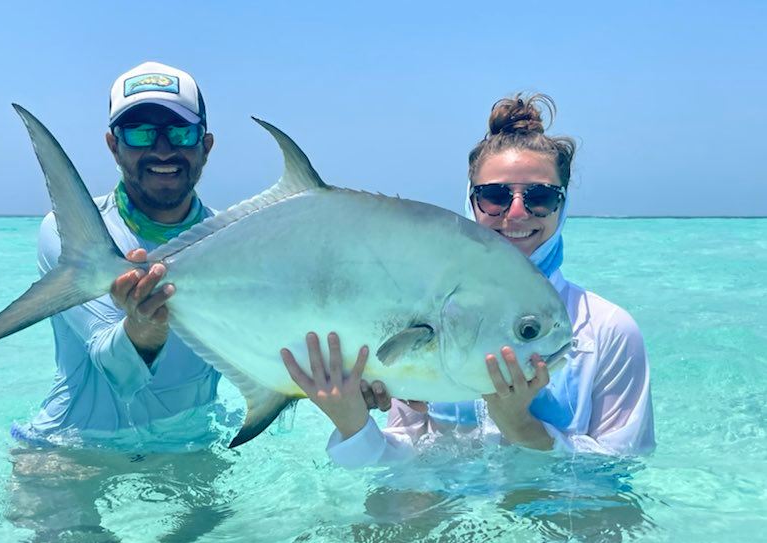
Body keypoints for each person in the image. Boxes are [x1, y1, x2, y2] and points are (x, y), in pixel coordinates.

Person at [281, 93, 655, 467]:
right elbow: (405, 463)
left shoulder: (607, 330)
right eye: (494, 197)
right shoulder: (428, 306)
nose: (517, 213)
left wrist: (524, 429)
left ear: (564, 204)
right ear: (470, 202)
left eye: (540, 197)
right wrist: (353, 423)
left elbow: (624, 472)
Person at [11, 61, 222, 449]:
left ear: (204, 146)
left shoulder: (233, 241)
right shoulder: (71, 233)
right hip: (72, 449)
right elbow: (114, 368)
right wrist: (142, 330)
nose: (162, 149)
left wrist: (352, 379)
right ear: (113, 145)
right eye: (140, 133)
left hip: (193, 446)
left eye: (179, 131)